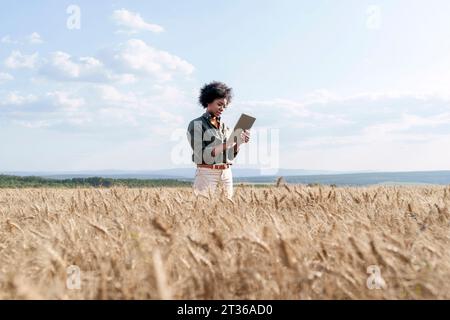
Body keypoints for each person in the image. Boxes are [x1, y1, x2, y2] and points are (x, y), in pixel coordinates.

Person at [187, 81, 250, 199]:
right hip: (207, 174)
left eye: (224, 106)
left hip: (226, 173)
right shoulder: (196, 124)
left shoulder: (225, 127)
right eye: (219, 104)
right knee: (202, 210)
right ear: (208, 101)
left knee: (226, 210)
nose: (222, 108)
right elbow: (201, 154)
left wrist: (239, 143)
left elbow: (230, 155)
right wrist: (227, 144)